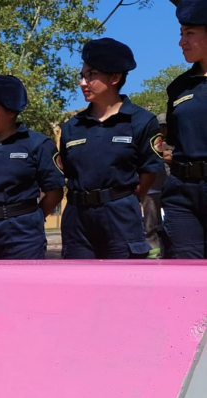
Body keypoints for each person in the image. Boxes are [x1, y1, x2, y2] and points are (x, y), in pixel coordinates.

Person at [59, 38, 161, 259]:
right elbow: (67, 171)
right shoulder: (71, 127)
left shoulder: (141, 121)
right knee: (77, 287)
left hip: (120, 217)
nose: (83, 83)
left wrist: (120, 199)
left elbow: (149, 172)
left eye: (91, 75)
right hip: (77, 221)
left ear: (114, 77)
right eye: (82, 75)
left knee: (123, 288)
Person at [0, 75, 65, 260]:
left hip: (22, 236)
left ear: (11, 112)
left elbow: (54, 191)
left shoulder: (37, 145)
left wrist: (32, 217)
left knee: (21, 288)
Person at [163, 0, 207, 258]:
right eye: (181, 34)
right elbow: (173, 139)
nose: (182, 42)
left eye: (190, 33)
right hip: (182, 194)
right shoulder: (178, 88)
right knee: (186, 273)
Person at [141, 113, 170, 257]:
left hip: (170, 189)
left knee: (171, 223)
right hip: (151, 190)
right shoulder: (150, 141)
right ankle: (153, 253)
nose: (163, 129)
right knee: (150, 225)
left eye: (165, 126)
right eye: (161, 126)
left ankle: (170, 252)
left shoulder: (175, 141)